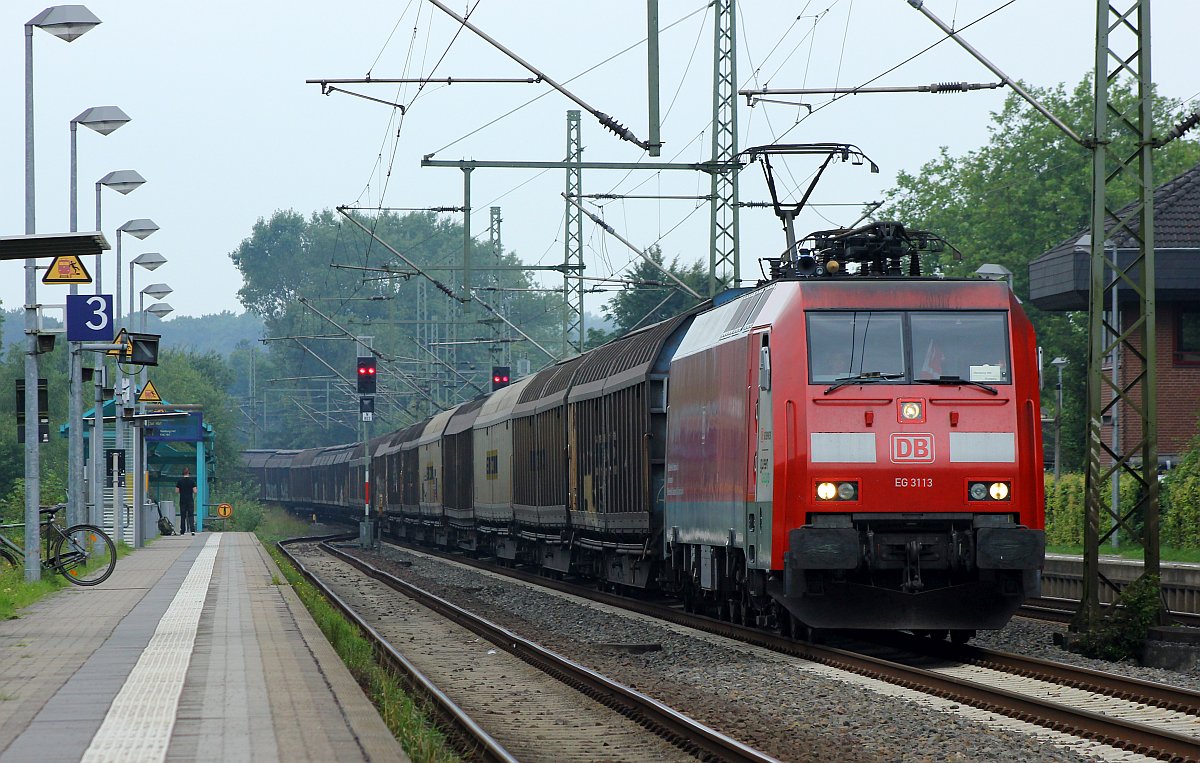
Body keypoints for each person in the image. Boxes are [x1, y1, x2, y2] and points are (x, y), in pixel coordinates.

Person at [176, 467, 198, 535]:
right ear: (188, 473)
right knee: (191, 515)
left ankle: (182, 530)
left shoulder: (179, 481)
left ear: (183, 474)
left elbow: (176, 491)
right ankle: (192, 530)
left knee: (183, 515)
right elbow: (195, 491)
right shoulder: (192, 481)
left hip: (182, 500)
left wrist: (182, 491)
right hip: (190, 500)